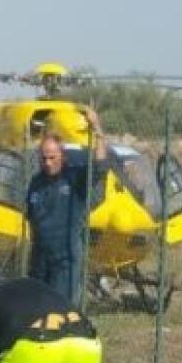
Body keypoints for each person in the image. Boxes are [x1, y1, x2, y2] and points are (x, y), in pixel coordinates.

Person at [25, 106, 110, 308]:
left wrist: (96, 128)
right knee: (37, 309)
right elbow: (30, 216)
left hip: (65, 260)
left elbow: (100, 166)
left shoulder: (74, 178)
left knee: (61, 309)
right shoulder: (35, 183)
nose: (47, 162)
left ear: (62, 155)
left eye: (52, 157)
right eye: (44, 158)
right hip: (39, 259)